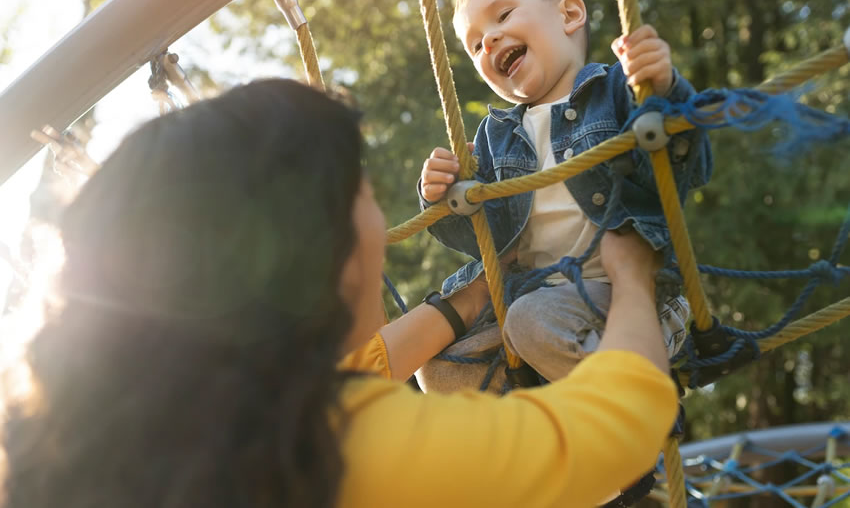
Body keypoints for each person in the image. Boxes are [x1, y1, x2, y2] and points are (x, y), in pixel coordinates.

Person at [1, 79, 677, 508]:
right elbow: (610, 433)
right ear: (322, 253)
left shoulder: (79, 437)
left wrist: (474, 297)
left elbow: (371, 363)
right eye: (368, 197)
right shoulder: (341, 445)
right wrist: (634, 280)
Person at [418, 0, 712, 389]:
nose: (491, 39)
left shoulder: (615, 91)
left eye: (502, 16)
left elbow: (686, 168)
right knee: (437, 369)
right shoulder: (493, 137)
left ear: (569, 15)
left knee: (531, 321)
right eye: (476, 45)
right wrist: (441, 196)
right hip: (538, 299)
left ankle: (633, 411)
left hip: (625, 292)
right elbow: (485, 240)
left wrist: (664, 92)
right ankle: (556, 431)